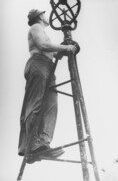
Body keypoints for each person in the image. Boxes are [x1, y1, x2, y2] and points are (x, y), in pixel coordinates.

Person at [18, 9, 77, 163]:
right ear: (39, 17)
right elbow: (43, 46)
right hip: (38, 65)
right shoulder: (36, 27)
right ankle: (32, 143)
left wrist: (65, 48)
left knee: (51, 105)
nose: (46, 16)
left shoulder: (44, 31)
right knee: (36, 103)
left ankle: (43, 143)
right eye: (44, 14)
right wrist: (64, 48)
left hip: (47, 66)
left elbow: (53, 53)